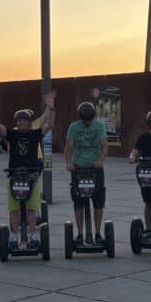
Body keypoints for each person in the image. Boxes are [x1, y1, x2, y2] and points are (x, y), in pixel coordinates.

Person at [0, 92, 55, 246]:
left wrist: (51, 109)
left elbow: (49, 125)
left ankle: (32, 235)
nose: (22, 123)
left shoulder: (34, 134)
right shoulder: (12, 134)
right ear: (16, 122)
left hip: (31, 175)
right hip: (14, 176)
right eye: (19, 120)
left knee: (32, 209)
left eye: (25, 120)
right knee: (14, 209)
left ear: (29, 122)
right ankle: (13, 235)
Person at [65, 101, 108, 246]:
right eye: (85, 120)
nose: (87, 122)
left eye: (89, 119)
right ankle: (80, 234)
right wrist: (69, 163)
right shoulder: (74, 127)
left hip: (95, 169)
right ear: (81, 118)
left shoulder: (99, 126)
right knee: (79, 201)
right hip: (78, 169)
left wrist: (100, 160)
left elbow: (104, 147)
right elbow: (68, 148)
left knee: (98, 201)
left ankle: (97, 233)